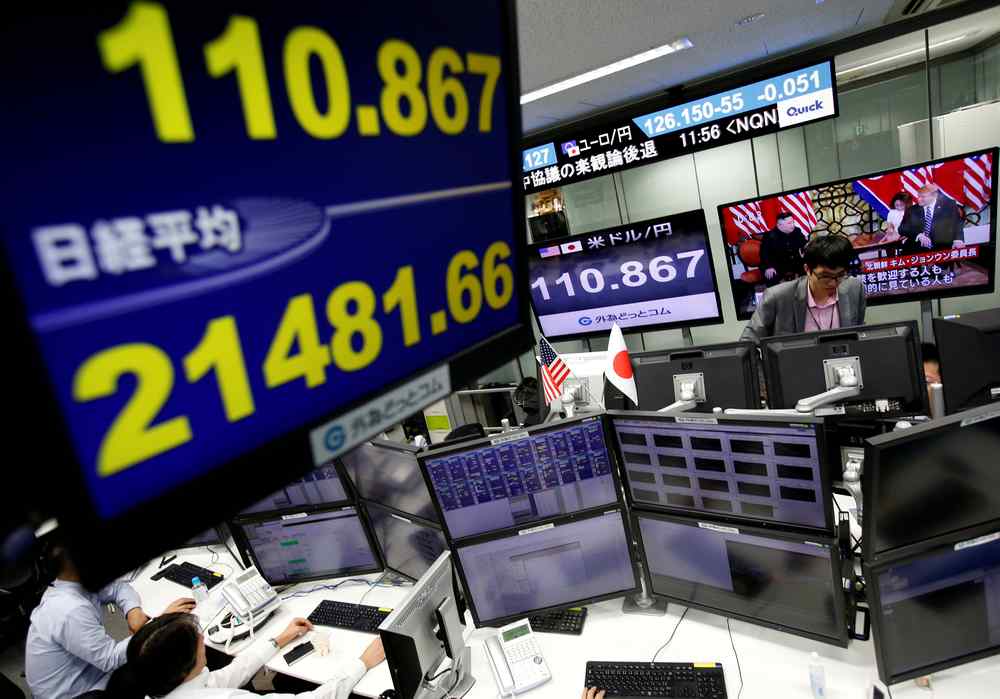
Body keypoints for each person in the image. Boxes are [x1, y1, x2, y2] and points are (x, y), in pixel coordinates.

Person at [25, 541, 196, 699]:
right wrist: (160, 622)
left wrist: (133, 611)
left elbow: (117, 587)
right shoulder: (69, 609)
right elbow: (111, 659)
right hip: (79, 693)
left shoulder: (69, 583)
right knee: (162, 659)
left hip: (91, 671)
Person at [105, 612, 385, 699]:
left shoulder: (165, 687)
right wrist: (362, 663)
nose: (203, 638)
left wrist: (278, 640)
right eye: (197, 638)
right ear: (184, 663)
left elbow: (228, 675)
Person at [741, 235, 866, 343]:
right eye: (825, 276)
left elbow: (859, 335)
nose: (833, 283)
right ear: (807, 269)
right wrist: (768, 370)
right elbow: (747, 345)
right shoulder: (778, 297)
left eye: (840, 275)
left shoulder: (854, 288)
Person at [897, 184, 965, 251]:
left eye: (923, 197)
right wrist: (918, 235)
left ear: (934, 196)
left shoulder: (948, 205)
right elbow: (902, 228)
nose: (919, 199)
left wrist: (958, 240)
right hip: (917, 247)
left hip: (942, 246)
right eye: (918, 196)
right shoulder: (912, 210)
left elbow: (957, 223)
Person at [759, 212, 809, 286]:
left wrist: (807, 242)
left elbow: (804, 244)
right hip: (776, 265)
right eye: (789, 223)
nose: (793, 225)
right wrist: (768, 267)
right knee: (771, 276)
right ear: (779, 225)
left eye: (793, 222)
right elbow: (764, 254)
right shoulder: (769, 236)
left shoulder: (796, 231)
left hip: (795, 262)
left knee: (811, 270)